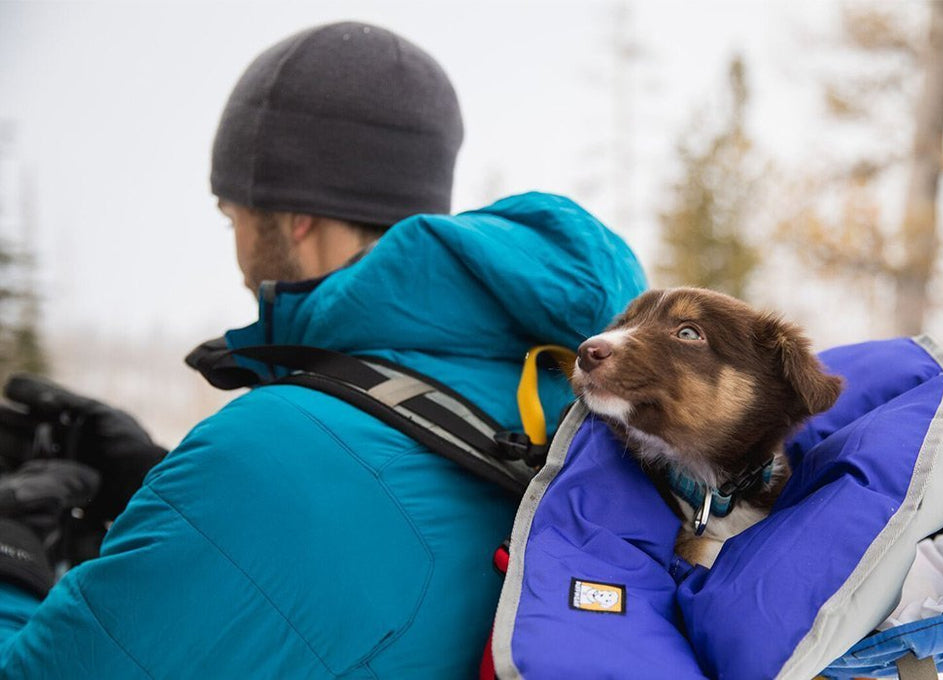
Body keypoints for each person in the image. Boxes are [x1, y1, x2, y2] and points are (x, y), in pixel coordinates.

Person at [0, 22, 645, 677]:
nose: (239, 256)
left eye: (235, 219)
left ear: (294, 214)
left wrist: (11, 552)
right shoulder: (555, 403)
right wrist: (161, 489)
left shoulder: (268, 456)